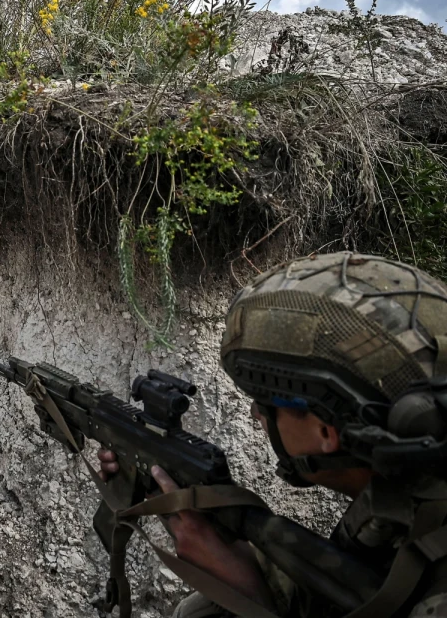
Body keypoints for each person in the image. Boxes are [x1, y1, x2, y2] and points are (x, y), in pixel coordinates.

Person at [99, 252, 447, 617]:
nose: (256, 417)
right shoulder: (405, 505)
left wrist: (247, 591)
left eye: (264, 403)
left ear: (326, 430)